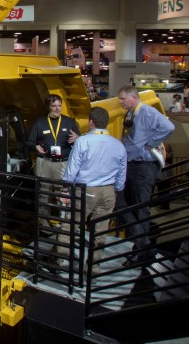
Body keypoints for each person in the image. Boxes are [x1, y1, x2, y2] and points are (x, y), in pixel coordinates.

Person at [55, 107, 126, 276]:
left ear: (91, 122)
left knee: (70, 227)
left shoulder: (83, 142)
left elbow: (72, 170)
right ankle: (93, 269)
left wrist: (66, 189)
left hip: (85, 190)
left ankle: (60, 261)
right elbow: (122, 174)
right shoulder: (118, 145)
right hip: (108, 192)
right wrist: (116, 190)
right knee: (99, 234)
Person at [117, 85, 175, 266]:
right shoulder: (131, 114)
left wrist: (151, 143)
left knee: (138, 209)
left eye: (123, 98)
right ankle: (143, 248)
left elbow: (169, 126)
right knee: (128, 207)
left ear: (134, 98)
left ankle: (143, 251)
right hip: (133, 166)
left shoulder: (147, 113)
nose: (120, 102)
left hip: (142, 168)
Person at [25, 94, 80, 228]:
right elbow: (29, 142)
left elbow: (80, 142)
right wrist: (35, 146)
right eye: (54, 106)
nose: (57, 109)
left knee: (63, 194)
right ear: (48, 107)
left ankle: (65, 223)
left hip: (63, 163)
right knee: (44, 194)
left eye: (59, 106)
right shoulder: (39, 123)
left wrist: (78, 137)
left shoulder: (69, 122)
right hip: (44, 162)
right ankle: (44, 223)